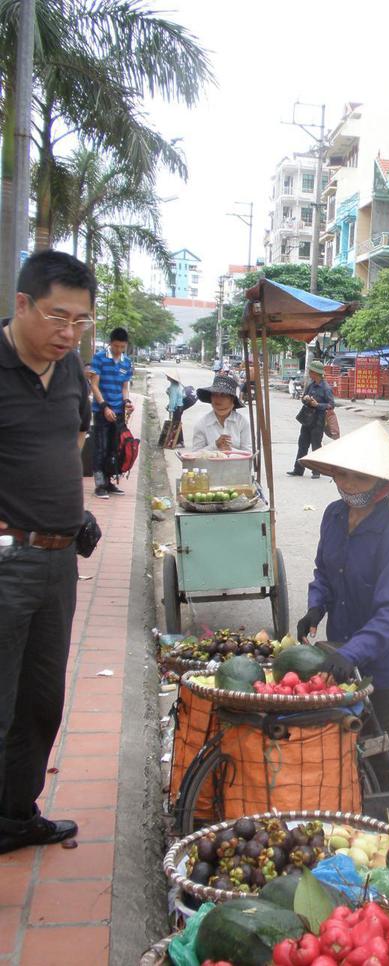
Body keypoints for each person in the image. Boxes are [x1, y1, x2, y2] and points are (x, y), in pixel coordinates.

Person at [0, 250, 97, 854]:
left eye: (81, 322)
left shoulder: (67, 370)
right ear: (21, 305)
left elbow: (75, 438)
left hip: (58, 563)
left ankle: (14, 817)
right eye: (58, 318)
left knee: (41, 699)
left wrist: (73, 510)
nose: (68, 333)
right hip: (6, 561)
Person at [294, 422, 389, 790]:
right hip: (343, 657)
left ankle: (384, 827)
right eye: (342, 475)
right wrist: (316, 607)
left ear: (383, 484)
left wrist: (352, 653)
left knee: (377, 762)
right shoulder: (333, 516)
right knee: (343, 753)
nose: (348, 484)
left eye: (359, 477)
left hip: (385, 670)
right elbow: (324, 572)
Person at [89, 326, 134, 498]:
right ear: (110, 343)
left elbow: (124, 387)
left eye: (122, 347)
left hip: (118, 412)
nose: (118, 350)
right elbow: (94, 385)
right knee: (101, 447)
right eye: (116, 346)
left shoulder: (127, 362)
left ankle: (109, 482)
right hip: (102, 410)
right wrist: (104, 406)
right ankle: (99, 485)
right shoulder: (99, 358)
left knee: (115, 448)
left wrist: (127, 402)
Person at [287, 360, 334, 478]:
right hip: (307, 420)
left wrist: (317, 405)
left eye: (310, 371)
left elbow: (331, 405)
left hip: (318, 421)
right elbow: (303, 398)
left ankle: (316, 471)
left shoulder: (326, 388)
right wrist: (305, 399)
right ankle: (298, 470)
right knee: (302, 445)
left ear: (315, 373)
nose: (309, 373)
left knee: (316, 446)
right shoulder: (311, 385)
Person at [191, 374, 251, 452]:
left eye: (223, 395)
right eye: (215, 394)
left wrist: (230, 450)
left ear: (232, 399)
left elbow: (248, 453)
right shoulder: (202, 424)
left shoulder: (242, 422)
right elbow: (195, 456)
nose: (218, 399)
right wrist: (215, 445)